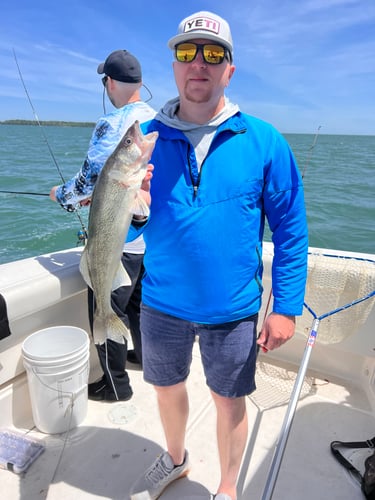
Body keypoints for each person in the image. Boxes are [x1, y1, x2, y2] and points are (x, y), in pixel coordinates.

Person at [128, 10, 309, 500]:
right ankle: (176, 458)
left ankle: (228, 488)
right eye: (187, 53)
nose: (199, 63)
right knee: (166, 389)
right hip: (160, 302)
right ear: (174, 66)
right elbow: (121, 224)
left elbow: (291, 229)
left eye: (213, 54)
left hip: (233, 310)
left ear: (230, 69)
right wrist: (136, 210)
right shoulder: (142, 139)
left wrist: (286, 307)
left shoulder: (264, 140)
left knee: (229, 400)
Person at [50, 49, 156, 402]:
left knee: (108, 302)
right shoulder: (158, 122)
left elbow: (87, 180)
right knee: (138, 302)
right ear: (139, 82)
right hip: (147, 236)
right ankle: (143, 358)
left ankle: (115, 386)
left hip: (118, 238)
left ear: (109, 83)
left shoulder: (113, 124)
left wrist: (61, 196)